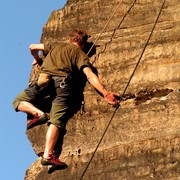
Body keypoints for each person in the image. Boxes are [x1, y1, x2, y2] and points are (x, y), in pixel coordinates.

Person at [13, 28, 119, 167]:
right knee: (56, 120)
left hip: (43, 80)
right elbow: (90, 75)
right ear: (83, 43)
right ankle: (48, 155)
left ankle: (38, 114)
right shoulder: (79, 54)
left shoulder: (55, 45)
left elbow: (32, 47)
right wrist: (106, 93)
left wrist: (37, 59)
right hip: (62, 85)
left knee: (18, 101)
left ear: (70, 38)